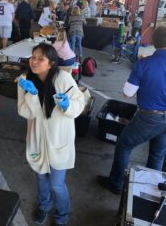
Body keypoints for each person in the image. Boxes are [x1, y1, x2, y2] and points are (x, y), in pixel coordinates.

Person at [17, 43, 85, 226]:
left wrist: (67, 106)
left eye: (41, 59)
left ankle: (62, 215)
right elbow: (25, 112)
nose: (35, 62)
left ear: (51, 63)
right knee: (40, 176)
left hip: (58, 139)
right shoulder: (24, 80)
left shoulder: (62, 78)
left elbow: (80, 102)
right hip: (37, 139)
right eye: (33, 57)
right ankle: (44, 205)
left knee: (56, 183)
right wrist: (30, 94)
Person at [97, 26, 166, 195]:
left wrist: (141, 70)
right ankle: (151, 190)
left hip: (149, 117)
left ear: (154, 42)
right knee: (157, 154)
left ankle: (116, 183)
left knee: (123, 145)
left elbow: (128, 93)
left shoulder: (144, 64)